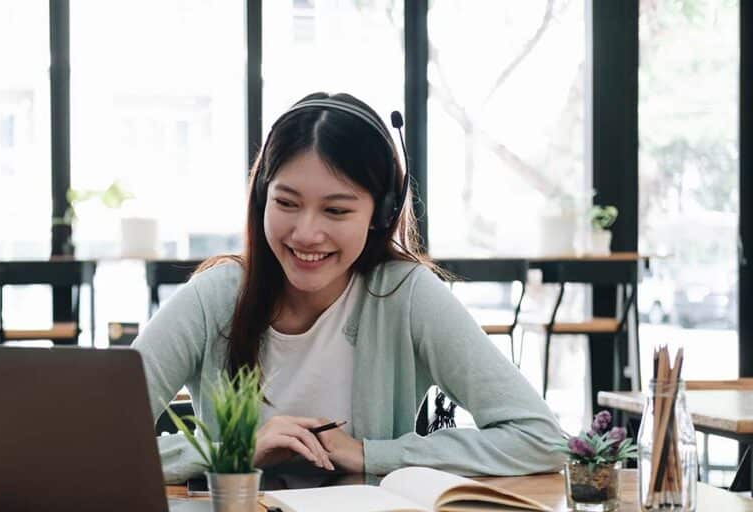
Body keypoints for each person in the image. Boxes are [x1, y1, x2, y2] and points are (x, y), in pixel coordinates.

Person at [133, 92, 564, 483]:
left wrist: (370, 454)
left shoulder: (405, 295)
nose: (306, 233)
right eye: (286, 203)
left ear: (382, 214)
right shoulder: (216, 297)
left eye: (336, 210)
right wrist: (234, 451)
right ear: (262, 197)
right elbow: (92, 445)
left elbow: (539, 437)